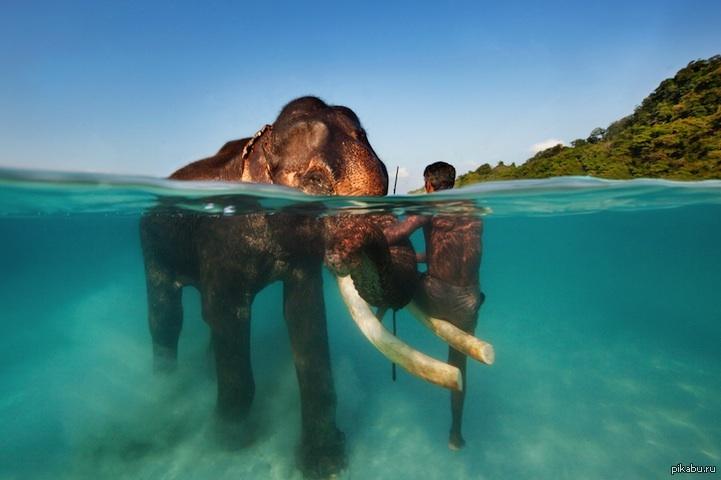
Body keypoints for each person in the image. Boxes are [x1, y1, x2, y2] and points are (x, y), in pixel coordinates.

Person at [383, 161, 484, 450]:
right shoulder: (472, 209)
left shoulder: (429, 205)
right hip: (470, 303)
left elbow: (393, 236)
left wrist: (376, 237)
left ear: (428, 184)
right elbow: (448, 251)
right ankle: (456, 434)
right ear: (452, 182)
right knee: (459, 365)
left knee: (398, 272)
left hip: (437, 298)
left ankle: (384, 303)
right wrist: (416, 257)